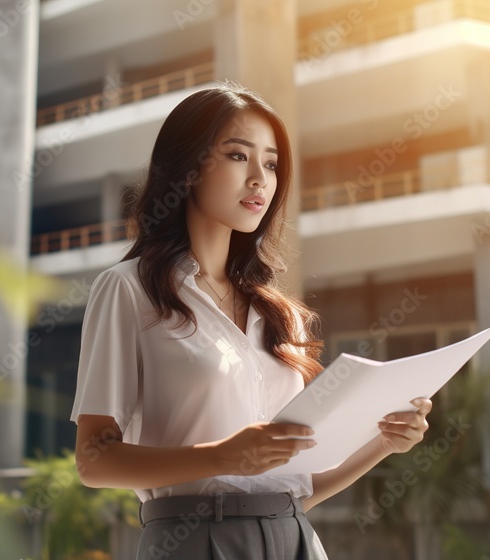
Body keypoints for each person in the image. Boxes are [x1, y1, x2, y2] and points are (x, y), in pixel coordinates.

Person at [69, 82, 433, 560]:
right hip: (193, 541)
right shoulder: (129, 289)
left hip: (295, 538)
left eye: (272, 163)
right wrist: (223, 456)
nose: (260, 178)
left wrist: (384, 443)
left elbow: (298, 487)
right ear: (189, 168)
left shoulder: (279, 315)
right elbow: (94, 461)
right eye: (239, 156)